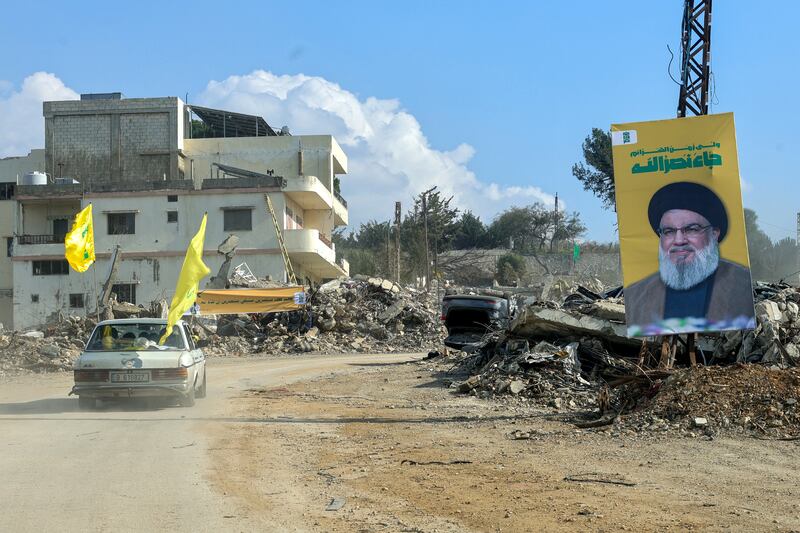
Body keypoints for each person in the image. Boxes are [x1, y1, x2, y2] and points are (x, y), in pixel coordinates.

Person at [625, 181, 755, 335]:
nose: (679, 240)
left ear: (714, 233)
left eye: (692, 229)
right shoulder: (635, 296)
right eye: (669, 231)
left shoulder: (743, 286)